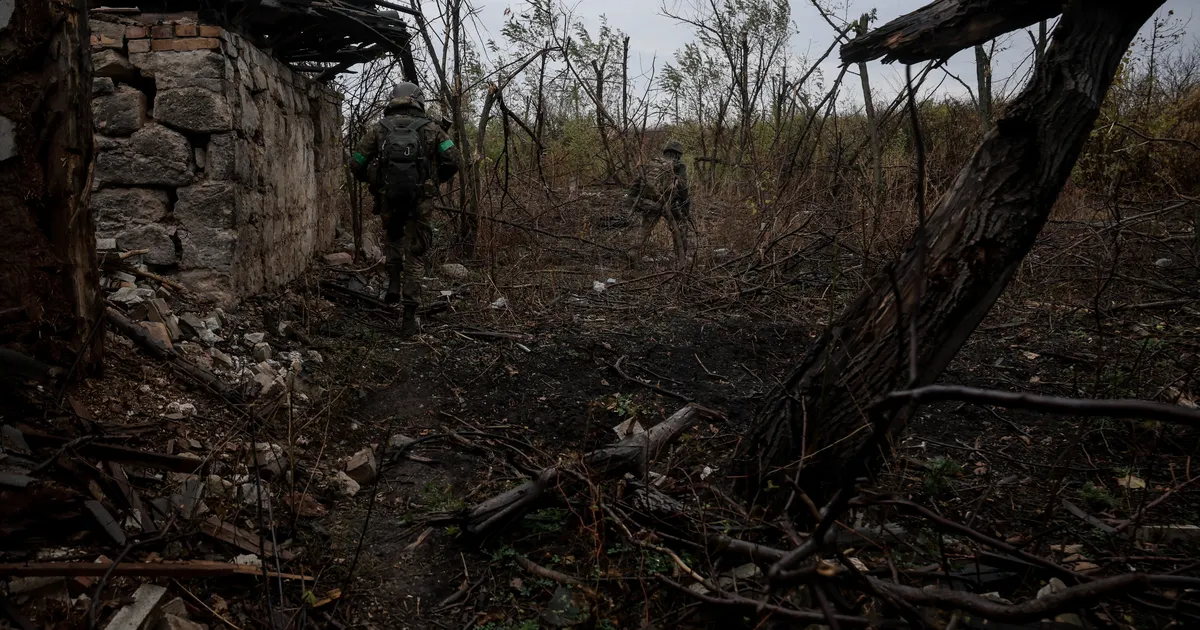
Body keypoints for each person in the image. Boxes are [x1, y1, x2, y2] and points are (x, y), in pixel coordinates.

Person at [349, 82, 460, 335]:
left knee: (394, 239)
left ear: (392, 100)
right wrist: (433, 180)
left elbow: (356, 162)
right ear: (419, 101)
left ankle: (394, 283)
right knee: (416, 253)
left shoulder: (379, 129)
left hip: (389, 198)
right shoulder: (432, 128)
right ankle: (409, 317)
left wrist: (376, 180)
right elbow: (453, 159)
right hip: (421, 200)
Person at [627, 139, 692, 263]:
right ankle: (681, 258)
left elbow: (636, 183)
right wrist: (685, 207)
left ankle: (633, 252)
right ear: (678, 154)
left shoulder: (652, 163)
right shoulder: (678, 166)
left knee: (644, 229)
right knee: (679, 229)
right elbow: (683, 188)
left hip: (650, 203)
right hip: (670, 204)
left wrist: (632, 201)